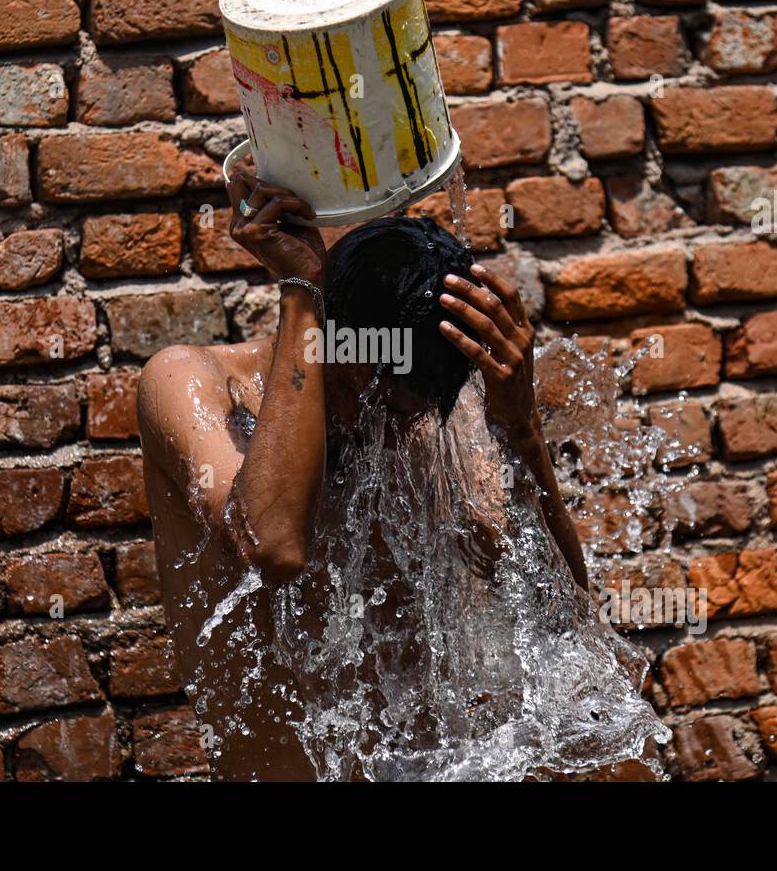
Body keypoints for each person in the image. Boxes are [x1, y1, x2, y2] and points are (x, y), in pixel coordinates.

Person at [137, 172, 612, 781]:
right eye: (378, 403)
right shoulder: (194, 385)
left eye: (409, 414)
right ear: (330, 334)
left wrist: (521, 430)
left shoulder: (437, 416)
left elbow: (567, 625)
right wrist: (301, 289)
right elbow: (272, 544)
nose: (392, 431)